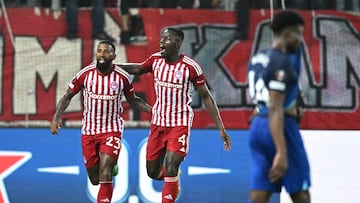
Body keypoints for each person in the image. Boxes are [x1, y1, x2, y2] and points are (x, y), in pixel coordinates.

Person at [119, 27, 232, 203]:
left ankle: (171, 181)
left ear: (178, 43)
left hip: (179, 123)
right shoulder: (155, 59)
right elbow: (138, 69)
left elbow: (206, 97)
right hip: (158, 123)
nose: (161, 42)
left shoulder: (191, 67)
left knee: (171, 165)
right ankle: (173, 180)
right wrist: (113, 66)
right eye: (161, 39)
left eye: (167, 39)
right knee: (153, 172)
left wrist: (221, 128)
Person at [50, 40, 151, 203]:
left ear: (113, 56)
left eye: (106, 51)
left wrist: (153, 112)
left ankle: (110, 167)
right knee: (95, 178)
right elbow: (67, 96)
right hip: (89, 130)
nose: (102, 54)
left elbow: (133, 100)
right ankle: (112, 167)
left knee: (106, 171)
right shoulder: (85, 74)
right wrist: (56, 118)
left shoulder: (123, 77)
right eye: (99, 51)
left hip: (112, 129)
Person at [247, 10, 311, 203]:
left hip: (257, 125)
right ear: (288, 33)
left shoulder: (257, 57)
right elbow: (275, 107)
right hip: (280, 126)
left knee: (260, 192)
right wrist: (282, 153)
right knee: (300, 193)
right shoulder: (281, 63)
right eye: (298, 34)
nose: (300, 40)